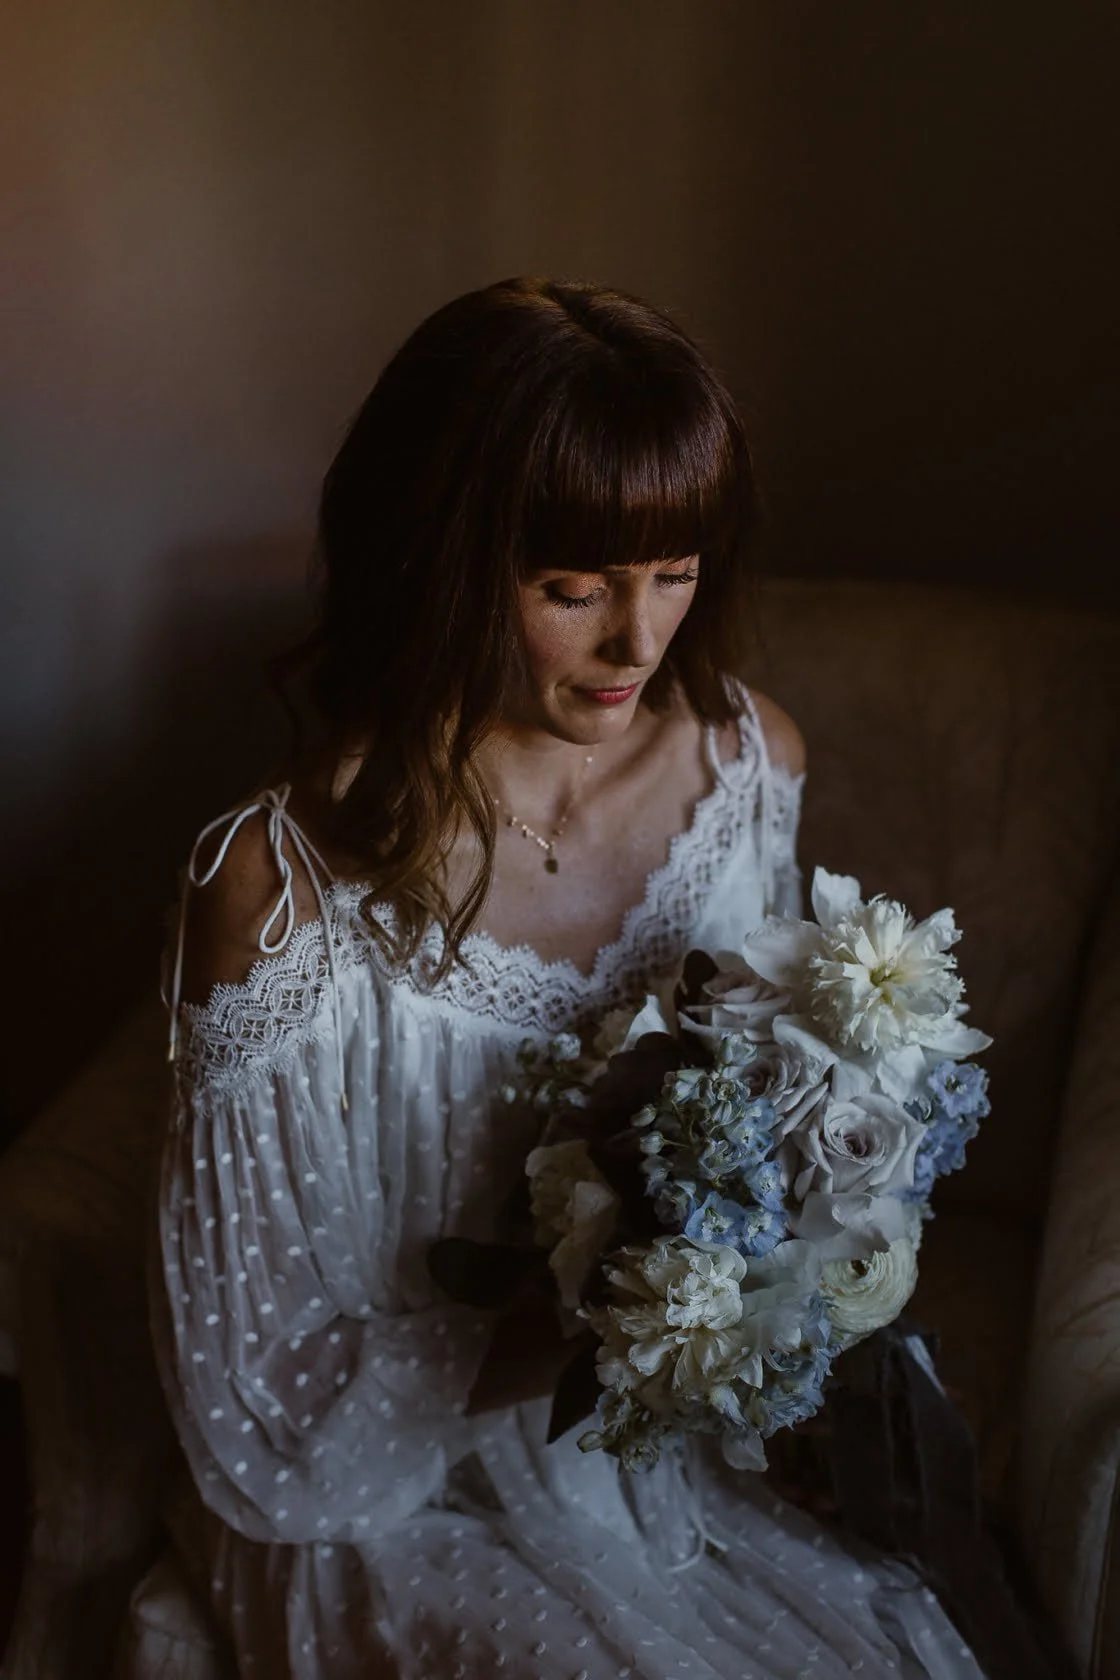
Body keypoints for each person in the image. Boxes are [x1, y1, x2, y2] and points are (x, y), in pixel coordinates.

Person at [152, 277, 985, 1678]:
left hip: (663, 1448)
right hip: (376, 1495)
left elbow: (775, 1104)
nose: (638, 643)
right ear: (438, 560)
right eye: (574, 588)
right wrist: (627, 1313)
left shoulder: (747, 769)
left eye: (676, 572)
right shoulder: (276, 890)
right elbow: (258, 1388)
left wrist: (775, 1301)